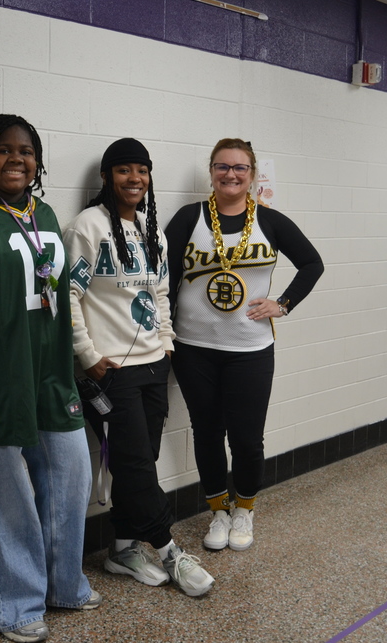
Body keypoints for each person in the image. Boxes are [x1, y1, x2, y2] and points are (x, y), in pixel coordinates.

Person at [0, 114, 99, 643]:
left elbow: (56, 299)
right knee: (7, 501)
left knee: (70, 480)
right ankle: (14, 606)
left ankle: (64, 585)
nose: (16, 159)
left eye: (26, 151)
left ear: (38, 161)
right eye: (3, 150)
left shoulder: (44, 212)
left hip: (51, 377)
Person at [64, 138, 214, 598]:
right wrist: (87, 357)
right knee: (134, 463)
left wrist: (166, 344)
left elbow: (161, 296)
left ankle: (123, 548)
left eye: (142, 171)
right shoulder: (88, 227)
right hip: (109, 370)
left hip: (153, 365)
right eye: (124, 170)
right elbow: (68, 295)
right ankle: (171, 551)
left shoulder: (152, 233)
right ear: (107, 176)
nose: (134, 179)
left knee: (138, 461)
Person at [165, 138, 323, 554]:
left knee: (247, 439)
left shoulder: (270, 222)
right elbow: (162, 277)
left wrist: (282, 304)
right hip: (193, 347)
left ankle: (244, 509)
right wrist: (161, 332)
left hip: (250, 348)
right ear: (211, 171)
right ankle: (218, 509)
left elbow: (312, 263)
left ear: (252, 174)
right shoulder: (188, 218)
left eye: (239, 168)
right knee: (207, 431)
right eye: (222, 167)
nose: (230, 174)